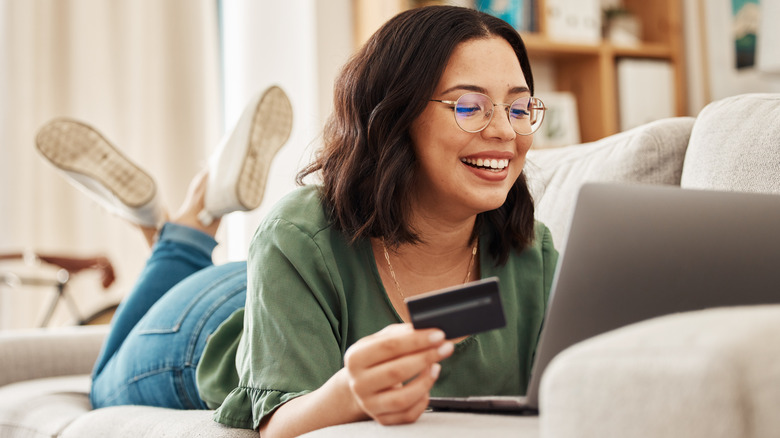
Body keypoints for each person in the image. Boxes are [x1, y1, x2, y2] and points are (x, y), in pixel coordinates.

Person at [35, 5, 557, 437]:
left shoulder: (534, 253)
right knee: (102, 384)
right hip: (205, 328)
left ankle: (187, 217)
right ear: (394, 115)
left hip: (290, 286)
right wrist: (349, 393)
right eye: (470, 107)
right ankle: (185, 231)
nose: (505, 133)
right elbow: (277, 424)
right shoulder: (299, 232)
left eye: (518, 108)